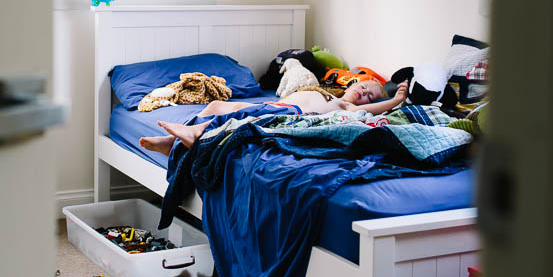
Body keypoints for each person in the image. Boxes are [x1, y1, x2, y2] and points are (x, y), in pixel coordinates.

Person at [139, 79, 409, 156]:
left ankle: (195, 134)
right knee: (219, 105)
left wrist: (395, 101)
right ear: (351, 83)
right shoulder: (326, 89)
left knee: (243, 117)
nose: (365, 95)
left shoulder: (344, 107)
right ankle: (170, 140)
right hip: (274, 103)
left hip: (291, 114)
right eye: (363, 87)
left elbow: (375, 109)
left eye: (372, 96)